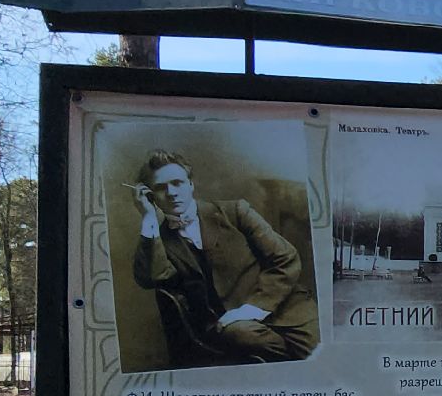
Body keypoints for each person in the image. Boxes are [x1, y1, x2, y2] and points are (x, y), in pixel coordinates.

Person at [129, 150, 319, 368]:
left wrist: (254, 308)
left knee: (326, 361)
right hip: (231, 325)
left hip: (288, 310)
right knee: (246, 340)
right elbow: (150, 278)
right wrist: (148, 219)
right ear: (150, 195)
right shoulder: (159, 239)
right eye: (161, 188)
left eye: (177, 183)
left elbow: (285, 258)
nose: (171, 192)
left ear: (191, 184)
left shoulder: (236, 211)